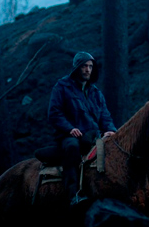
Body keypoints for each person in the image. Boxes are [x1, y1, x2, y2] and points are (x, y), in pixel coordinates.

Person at [48, 51, 117, 206]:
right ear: (77, 68)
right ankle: (73, 195)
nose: (88, 70)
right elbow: (54, 113)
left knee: (108, 152)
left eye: (90, 66)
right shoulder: (62, 87)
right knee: (72, 147)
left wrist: (110, 130)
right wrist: (69, 128)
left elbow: (105, 116)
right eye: (84, 66)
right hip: (69, 136)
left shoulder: (95, 92)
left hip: (92, 136)